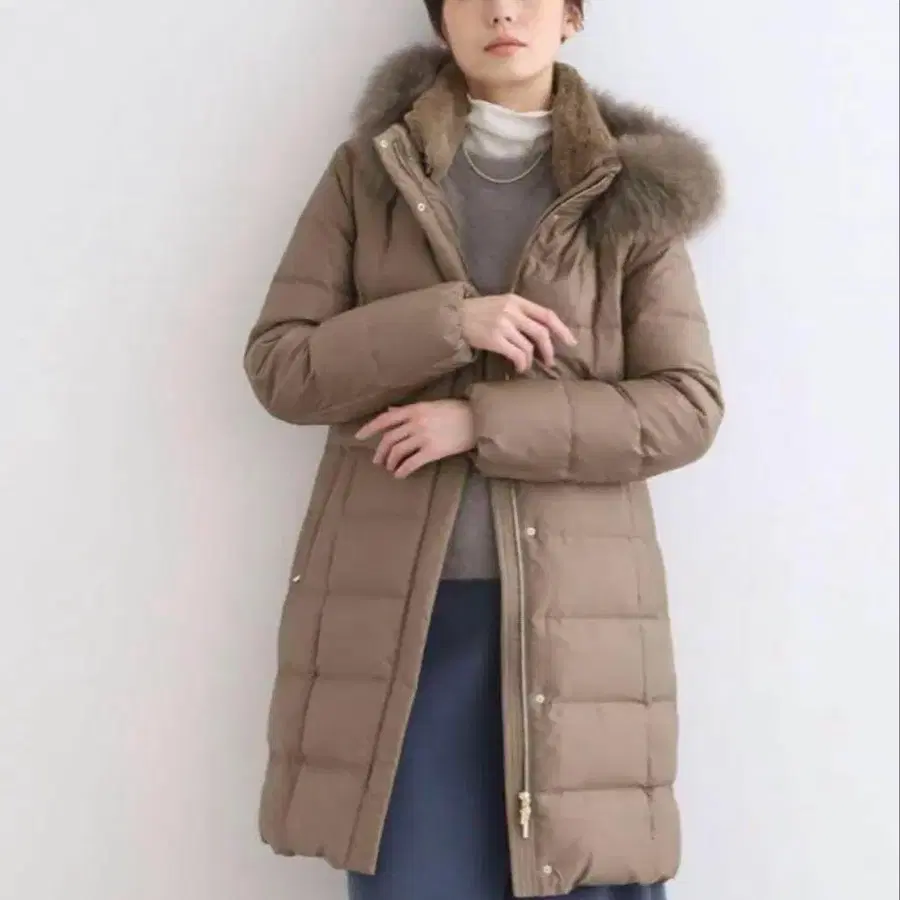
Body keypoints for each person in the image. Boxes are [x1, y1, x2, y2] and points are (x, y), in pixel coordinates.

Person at [243, 0, 724, 897]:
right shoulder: (371, 172)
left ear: (572, 16)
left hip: (580, 616)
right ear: (441, 22)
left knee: (582, 871)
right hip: (404, 614)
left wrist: (482, 424)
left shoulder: (631, 189)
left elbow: (686, 406)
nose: (503, 9)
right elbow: (281, 368)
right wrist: (450, 323)